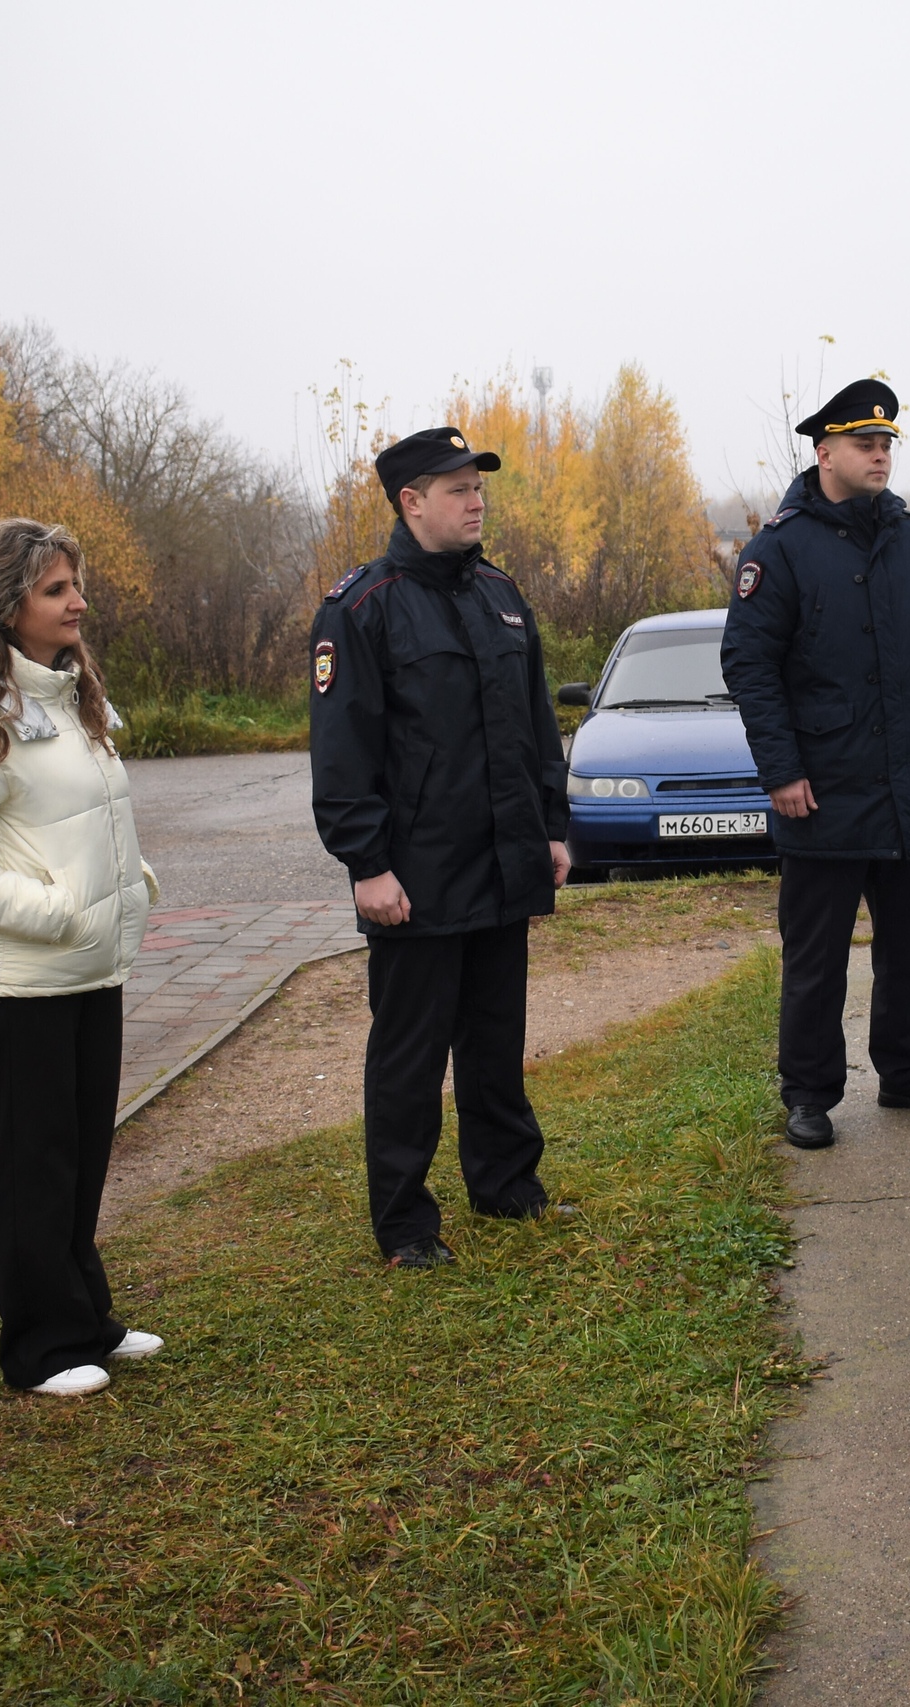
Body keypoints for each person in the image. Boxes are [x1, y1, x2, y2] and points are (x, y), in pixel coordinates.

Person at [0, 518, 165, 1399]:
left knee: (81, 1151)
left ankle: (84, 1317)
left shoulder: (67, 693)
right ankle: (39, 1347)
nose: (78, 602)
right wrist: (52, 911)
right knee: (31, 1163)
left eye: (75, 584)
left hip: (89, 965)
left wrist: (124, 886)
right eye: (56, 589)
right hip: (22, 980)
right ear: (6, 603)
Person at [308, 427, 574, 1270]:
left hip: (502, 860)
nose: (475, 501)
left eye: (478, 486)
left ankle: (506, 1183)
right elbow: (342, 753)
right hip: (416, 877)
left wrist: (552, 825)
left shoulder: (501, 594)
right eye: (457, 488)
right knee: (410, 1056)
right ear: (411, 501)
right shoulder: (362, 607)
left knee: (495, 1040)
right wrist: (367, 864)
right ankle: (405, 1224)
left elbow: (536, 723)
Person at [721, 379, 910, 1150]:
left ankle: (906, 1071)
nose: (880, 455)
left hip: (904, 785)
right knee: (817, 958)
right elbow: (749, 664)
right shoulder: (779, 549)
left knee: (906, 949)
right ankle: (808, 1092)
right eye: (864, 444)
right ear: (824, 452)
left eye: (886, 445)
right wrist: (781, 770)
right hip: (823, 791)